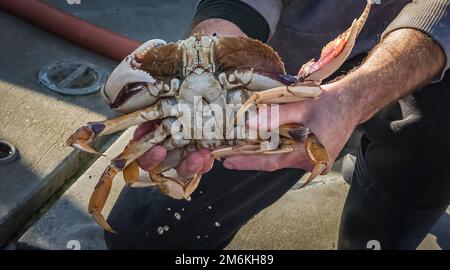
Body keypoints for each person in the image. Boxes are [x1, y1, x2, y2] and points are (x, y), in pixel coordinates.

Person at [105, 0, 450, 250]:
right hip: (291, 72)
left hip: (431, 65)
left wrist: (353, 99)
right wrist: (211, 48)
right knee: (144, 237)